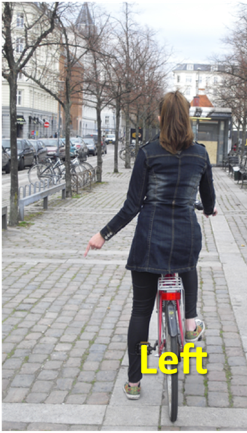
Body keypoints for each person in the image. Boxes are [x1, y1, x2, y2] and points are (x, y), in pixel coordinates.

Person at [84, 91, 218, 400]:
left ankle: (133, 382)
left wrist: (103, 234)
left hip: (149, 238)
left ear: (159, 119)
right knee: (189, 264)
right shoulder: (200, 154)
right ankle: (189, 319)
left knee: (141, 310)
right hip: (185, 235)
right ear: (187, 119)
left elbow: (132, 205)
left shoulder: (148, 153)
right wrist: (209, 209)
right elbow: (209, 199)